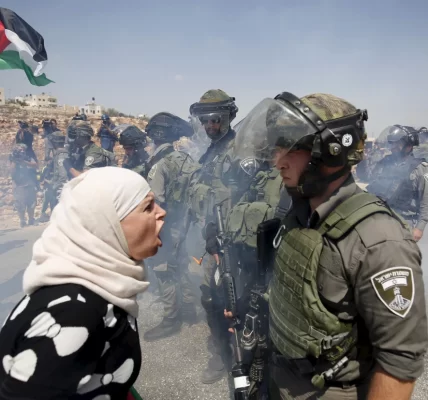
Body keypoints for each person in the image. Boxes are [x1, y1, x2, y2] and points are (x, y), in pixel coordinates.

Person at [234, 92, 428, 400]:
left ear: (330, 152)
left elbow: (399, 363)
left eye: (289, 148)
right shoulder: (299, 212)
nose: (276, 161)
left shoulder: (379, 241)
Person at [0, 167, 166, 399]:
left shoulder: (100, 286)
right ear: (106, 224)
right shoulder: (74, 312)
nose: (162, 213)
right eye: (147, 207)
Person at [188, 89, 239, 383]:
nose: (210, 126)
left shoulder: (238, 150)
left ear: (229, 117)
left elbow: (237, 199)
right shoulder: (212, 151)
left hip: (231, 241)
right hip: (212, 237)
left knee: (231, 300)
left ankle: (232, 354)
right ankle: (222, 349)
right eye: (206, 121)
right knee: (211, 298)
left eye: (216, 120)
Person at [142, 112, 199, 341]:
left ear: (156, 135)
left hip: (165, 226)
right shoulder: (188, 161)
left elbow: (156, 202)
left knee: (164, 271)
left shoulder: (159, 164)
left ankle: (171, 319)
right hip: (185, 226)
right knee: (182, 266)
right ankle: (189, 310)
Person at [367, 125, 428, 242]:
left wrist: (420, 228)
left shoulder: (420, 168)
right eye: (392, 143)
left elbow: (426, 201)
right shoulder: (384, 163)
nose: (392, 147)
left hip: (404, 223)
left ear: (409, 146)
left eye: (397, 144)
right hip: (380, 218)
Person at [9, 144, 38, 228]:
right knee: (20, 204)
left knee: (31, 203)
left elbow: (35, 165)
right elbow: (12, 172)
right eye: (20, 150)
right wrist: (15, 161)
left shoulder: (28, 158)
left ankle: (31, 219)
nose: (22, 152)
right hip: (19, 186)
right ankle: (22, 221)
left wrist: (24, 162)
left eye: (23, 150)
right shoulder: (13, 160)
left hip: (30, 184)